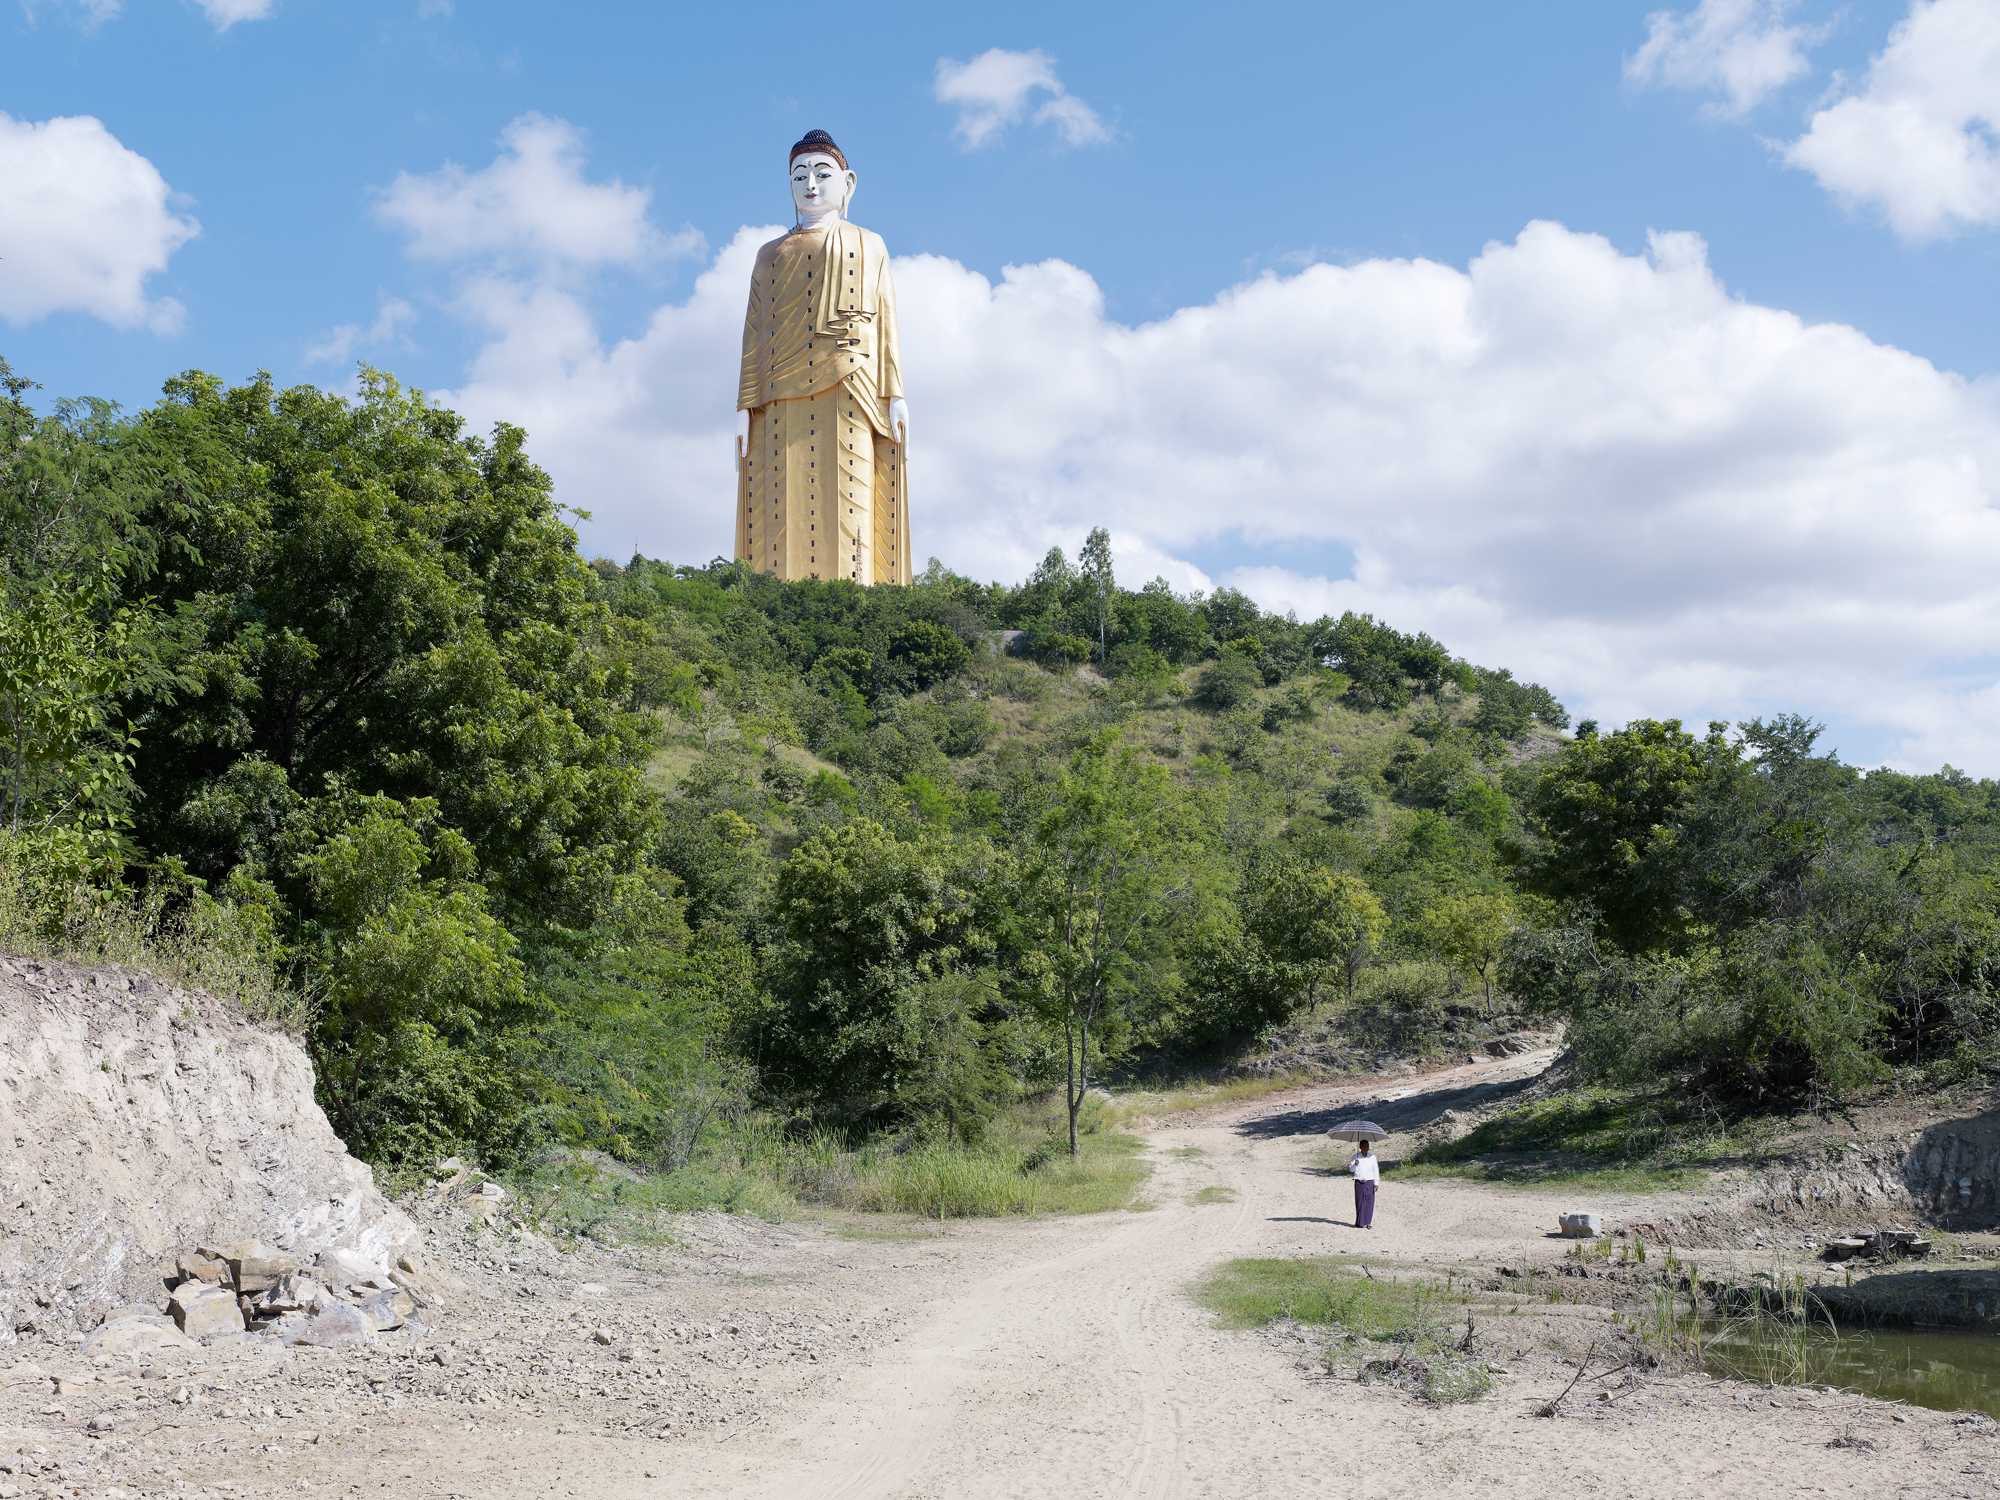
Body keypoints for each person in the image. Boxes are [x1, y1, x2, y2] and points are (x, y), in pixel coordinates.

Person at [1349, 1139, 1379, 1229]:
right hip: (1359, 1181)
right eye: (1364, 1146)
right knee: (1359, 1202)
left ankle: (1368, 1223)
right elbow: (1351, 1169)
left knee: (1369, 1202)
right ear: (1360, 1147)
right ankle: (1359, 1222)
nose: (1366, 1148)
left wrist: (1376, 1182)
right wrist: (1355, 1164)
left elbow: (1375, 1170)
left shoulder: (1372, 1157)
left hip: (1369, 1181)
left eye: (1367, 1146)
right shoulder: (1356, 1157)